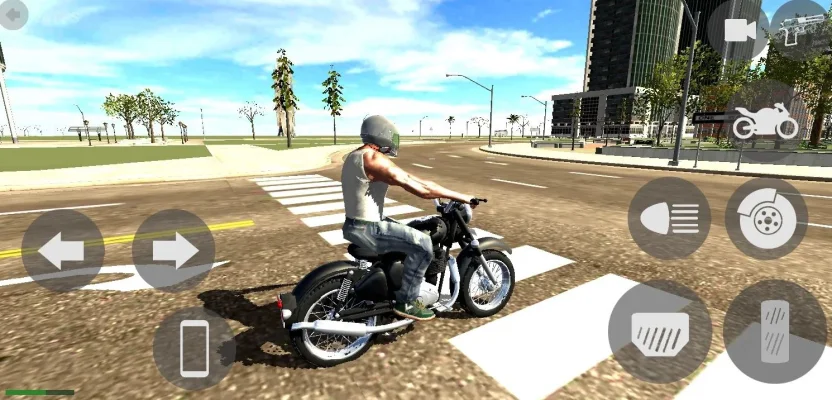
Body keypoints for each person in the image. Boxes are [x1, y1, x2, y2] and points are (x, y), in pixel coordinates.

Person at [341, 115, 478, 321]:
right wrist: (463, 197)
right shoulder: (373, 158)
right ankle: (407, 301)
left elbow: (410, 180)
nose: (394, 142)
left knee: (411, 231)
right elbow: (420, 188)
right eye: (393, 137)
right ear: (382, 133)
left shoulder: (354, 155)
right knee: (423, 245)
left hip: (355, 223)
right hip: (368, 228)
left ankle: (396, 281)